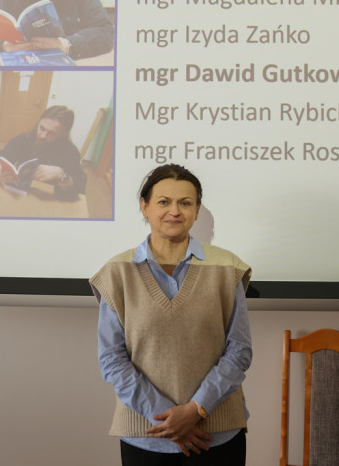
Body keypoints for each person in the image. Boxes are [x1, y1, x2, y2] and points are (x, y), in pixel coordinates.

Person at [90, 164, 252, 465]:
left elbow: (239, 351)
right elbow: (112, 360)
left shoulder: (227, 268)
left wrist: (196, 409)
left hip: (217, 435)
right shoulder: (116, 273)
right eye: (164, 202)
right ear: (145, 206)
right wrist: (168, 419)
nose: (174, 211)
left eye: (185, 203)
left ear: (197, 210)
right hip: (147, 436)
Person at [0, 105, 86, 199]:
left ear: (63, 134)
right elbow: (1, 159)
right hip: (22, 194)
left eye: (51, 133)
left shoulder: (70, 151)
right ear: (39, 122)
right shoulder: (23, 139)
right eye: (42, 128)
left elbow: (78, 188)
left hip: (51, 198)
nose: (43, 136)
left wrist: (61, 175)